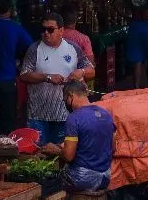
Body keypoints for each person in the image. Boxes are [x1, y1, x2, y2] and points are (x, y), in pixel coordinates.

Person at [18, 12, 93, 145]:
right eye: (43, 29)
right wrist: (47, 77)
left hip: (64, 114)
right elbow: (24, 74)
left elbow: (91, 70)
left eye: (50, 29)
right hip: (38, 114)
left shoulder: (73, 48)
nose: (46, 33)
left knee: (62, 152)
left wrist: (81, 72)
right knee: (37, 152)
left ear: (61, 30)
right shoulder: (34, 49)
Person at [0, 0, 33, 135]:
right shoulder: (15, 27)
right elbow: (30, 45)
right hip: (8, 77)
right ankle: (6, 143)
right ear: (10, 10)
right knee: (8, 119)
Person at [57, 81, 114, 192]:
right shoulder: (106, 114)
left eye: (65, 100)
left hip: (82, 179)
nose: (66, 104)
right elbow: (113, 148)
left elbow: (68, 156)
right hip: (106, 177)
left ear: (71, 95)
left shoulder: (74, 118)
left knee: (53, 181)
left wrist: (57, 150)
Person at [124, 8, 148, 88]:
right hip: (146, 25)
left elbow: (116, 3)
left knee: (138, 60)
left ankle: (136, 87)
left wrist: (125, 16)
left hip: (135, 25)